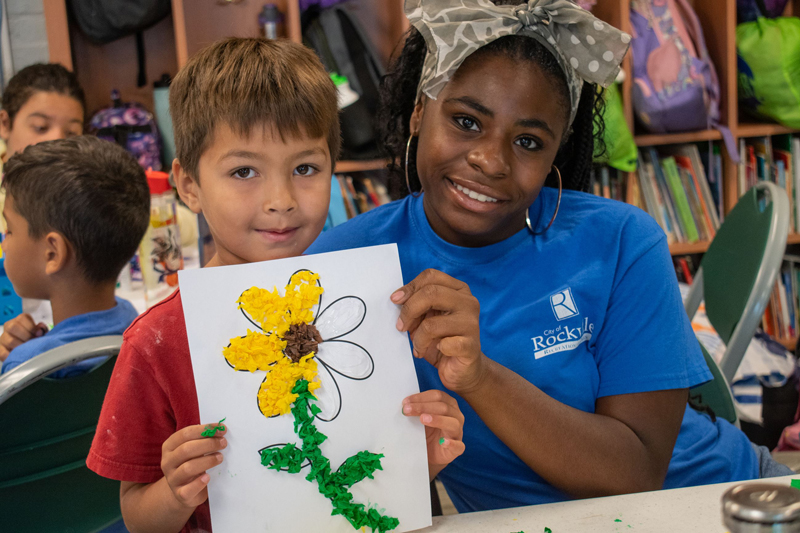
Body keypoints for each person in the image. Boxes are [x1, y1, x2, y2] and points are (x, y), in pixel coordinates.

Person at [308, 0, 792, 513]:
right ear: (419, 113)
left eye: (528, 141)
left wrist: (479, 377)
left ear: (556, 153)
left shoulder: (623, 241)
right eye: (467, 121)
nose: (490, 160)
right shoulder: (346, 265)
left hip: (717, 500)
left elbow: (637, 472)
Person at [87, 37, 465, 533]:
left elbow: (386, 478)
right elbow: (137, 517)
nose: (281, 199)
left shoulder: (368, 307)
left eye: (305, 168)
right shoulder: (155, 342)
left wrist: (425, 455)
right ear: (188, 185)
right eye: (244, 171)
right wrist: (176, 492)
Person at [0, 136, 147, 376]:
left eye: (10, 230)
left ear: (52, 253)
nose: (5, 244)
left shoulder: (25, 368)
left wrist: (25, 357)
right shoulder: (132, 320)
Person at [0, 63, 85, 232]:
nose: (57, 141)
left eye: (71, 132)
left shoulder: (84, 192)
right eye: (40, 127)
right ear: (5, 124)